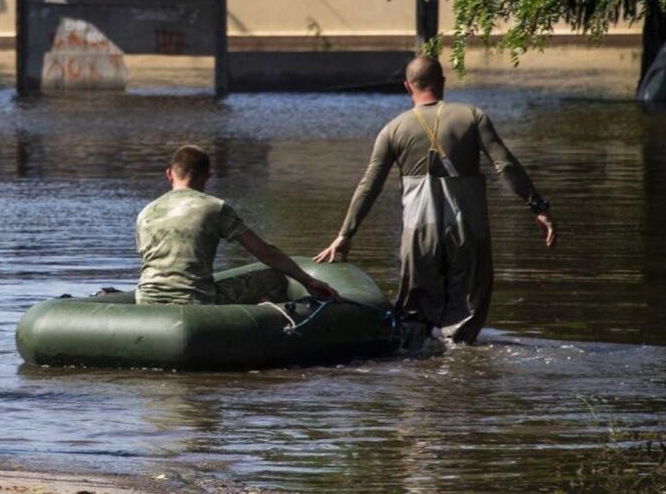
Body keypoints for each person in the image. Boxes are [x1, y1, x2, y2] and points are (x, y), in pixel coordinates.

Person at [314, 56, 556, 346]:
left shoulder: (393, 130)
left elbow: (370, 185)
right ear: (442, 82)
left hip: (419, 233)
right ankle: (459, 366)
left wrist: (345, 234)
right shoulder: (472, 116)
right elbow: (505, 165)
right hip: (467, 229)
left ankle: (420, 370)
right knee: (466, 310)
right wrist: (538, 207)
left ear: (407, 86)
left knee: (414, 316)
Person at [137, 145, 339, 305]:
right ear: (207, 177)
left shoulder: (146, 212)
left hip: (146, 300)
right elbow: (265, 253)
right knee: (275, 278)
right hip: (196, 301)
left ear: (169, 174)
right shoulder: (214, 207)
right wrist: (308, 281)